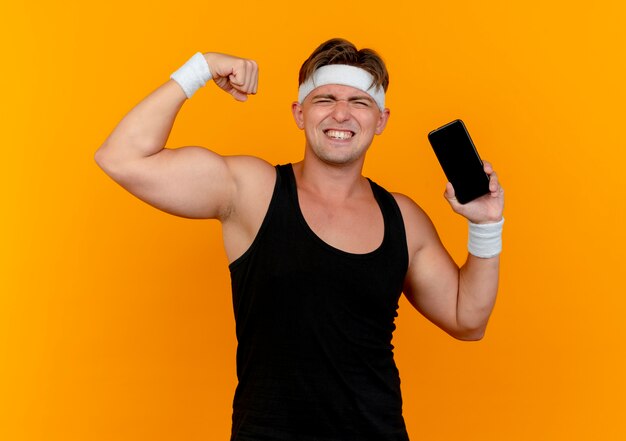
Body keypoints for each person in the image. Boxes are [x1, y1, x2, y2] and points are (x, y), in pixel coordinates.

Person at [95, 38, 504, 441]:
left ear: (380, 120)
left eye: (359, 102)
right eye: (325, 99)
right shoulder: (251, 191)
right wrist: (200, 67)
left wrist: (486, 225)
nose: (341, 113)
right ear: (299, 113)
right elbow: (122, 157)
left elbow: (467, 320)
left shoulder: (403, 218)